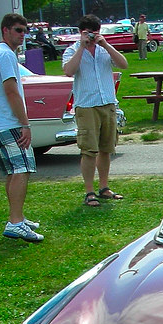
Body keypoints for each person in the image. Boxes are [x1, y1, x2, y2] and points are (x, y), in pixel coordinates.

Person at [0, 12, 43, 243]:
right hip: (8, 122)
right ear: (5, 30)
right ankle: (15, 223)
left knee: (13, 170)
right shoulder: (4, 55)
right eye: (18, 30)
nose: (22, 35)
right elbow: (11, 90)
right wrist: (24, 123)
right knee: (21, 170)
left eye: (25, 31)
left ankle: (18, 217)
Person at [62, 14, 130, 207]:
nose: (92, 36)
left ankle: (104, 187)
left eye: (95, 32)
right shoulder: (73, 50)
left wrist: (106, 44)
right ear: (80, 32)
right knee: (89, 150)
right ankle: (89, 191)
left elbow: (123, 64)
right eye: (88, 32)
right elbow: (69, 70)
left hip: (107, 103)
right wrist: (83, 47)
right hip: (86, 106)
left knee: (106, 149)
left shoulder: (104, 50)